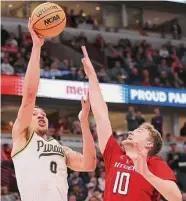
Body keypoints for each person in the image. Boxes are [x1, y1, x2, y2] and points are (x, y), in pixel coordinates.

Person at [81, 46, 182, 201]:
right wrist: (92, 77)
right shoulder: (115, 154)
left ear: (148, 144)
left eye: (138, 132)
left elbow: (175, 197)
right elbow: (101, 115)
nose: (131, 132)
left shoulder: (154, 163)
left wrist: (147, 174)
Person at [11, 19, 96, 201]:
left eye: (43, 114)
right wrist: (36, 47)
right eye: (35, 114)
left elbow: (89, 164)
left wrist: (84, 123)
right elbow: (29, 95)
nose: (40, 115)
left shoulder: (60, 149)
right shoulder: (22, 137)